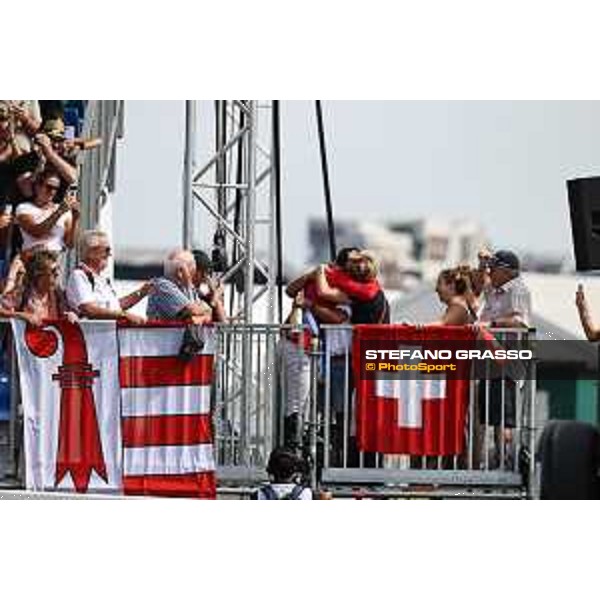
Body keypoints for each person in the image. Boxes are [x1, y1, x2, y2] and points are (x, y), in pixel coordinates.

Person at [477, 249, 531, 469]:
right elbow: (480, 283)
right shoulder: (495, 288)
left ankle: (506, 462)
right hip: (491, 362)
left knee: (504, 418)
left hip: (507, 362)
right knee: (491, 416)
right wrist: (482, 263)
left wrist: (491, 325)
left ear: (507, 271)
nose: (490, 272)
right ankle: (498, 460)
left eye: (493, 268)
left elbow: (521, 322)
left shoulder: (518, 289)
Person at [66, 230, 149, 323]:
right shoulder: (79, 276)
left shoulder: (101, 279)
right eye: (107, 250)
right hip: (91, 335)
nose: (109, 254)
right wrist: (124, 315)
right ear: (91, 252)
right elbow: (89, 310)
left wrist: (142, 292)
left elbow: (115, 307)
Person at [0, 249, 76, 326]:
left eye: (58, 269)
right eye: (53, 270)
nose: (57, 273)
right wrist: (22, 315)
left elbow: (64, 313)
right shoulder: (23, 292)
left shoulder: (57, 293)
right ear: (39, 274)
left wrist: (69, 315)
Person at [14, 170, 80, 253]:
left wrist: (75, 218)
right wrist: (59, 212)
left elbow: (70, 244)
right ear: (37, 186)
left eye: (56, 188)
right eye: (49, 187)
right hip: (34, 259)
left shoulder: (63, 209)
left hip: (56, 258)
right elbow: (37, 232)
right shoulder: (24, 207)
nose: (52, 192)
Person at [146, 249, 212, 323]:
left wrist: (203, 317)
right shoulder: (163, 285)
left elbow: (207, 313)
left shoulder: (184, 287)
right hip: (163, 334)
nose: (193, 273)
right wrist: (204, 313)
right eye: (191, 269)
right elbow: (193, 312)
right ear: (180, 270)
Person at [192, 249, 226, 322]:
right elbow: (197, 317)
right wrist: (216, 295)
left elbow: (223, 322)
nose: (207, 275)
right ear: (196, 272)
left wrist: (215, 293)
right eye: (206, 271)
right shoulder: (187, 292)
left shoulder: (202, 294)